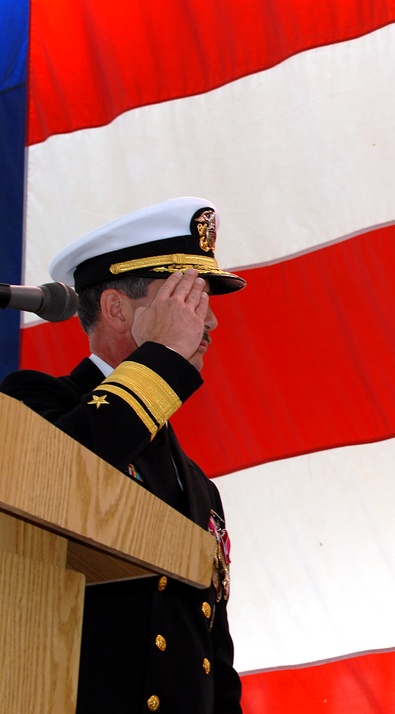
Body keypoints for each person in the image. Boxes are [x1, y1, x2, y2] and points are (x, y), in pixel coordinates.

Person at [1, 197, 245, 713]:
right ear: (116, 309)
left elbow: (214, 661)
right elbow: (61, 476)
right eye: (187, 299)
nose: (210, 322)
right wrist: (162, 359)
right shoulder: (30, 405)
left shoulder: (200, 487)